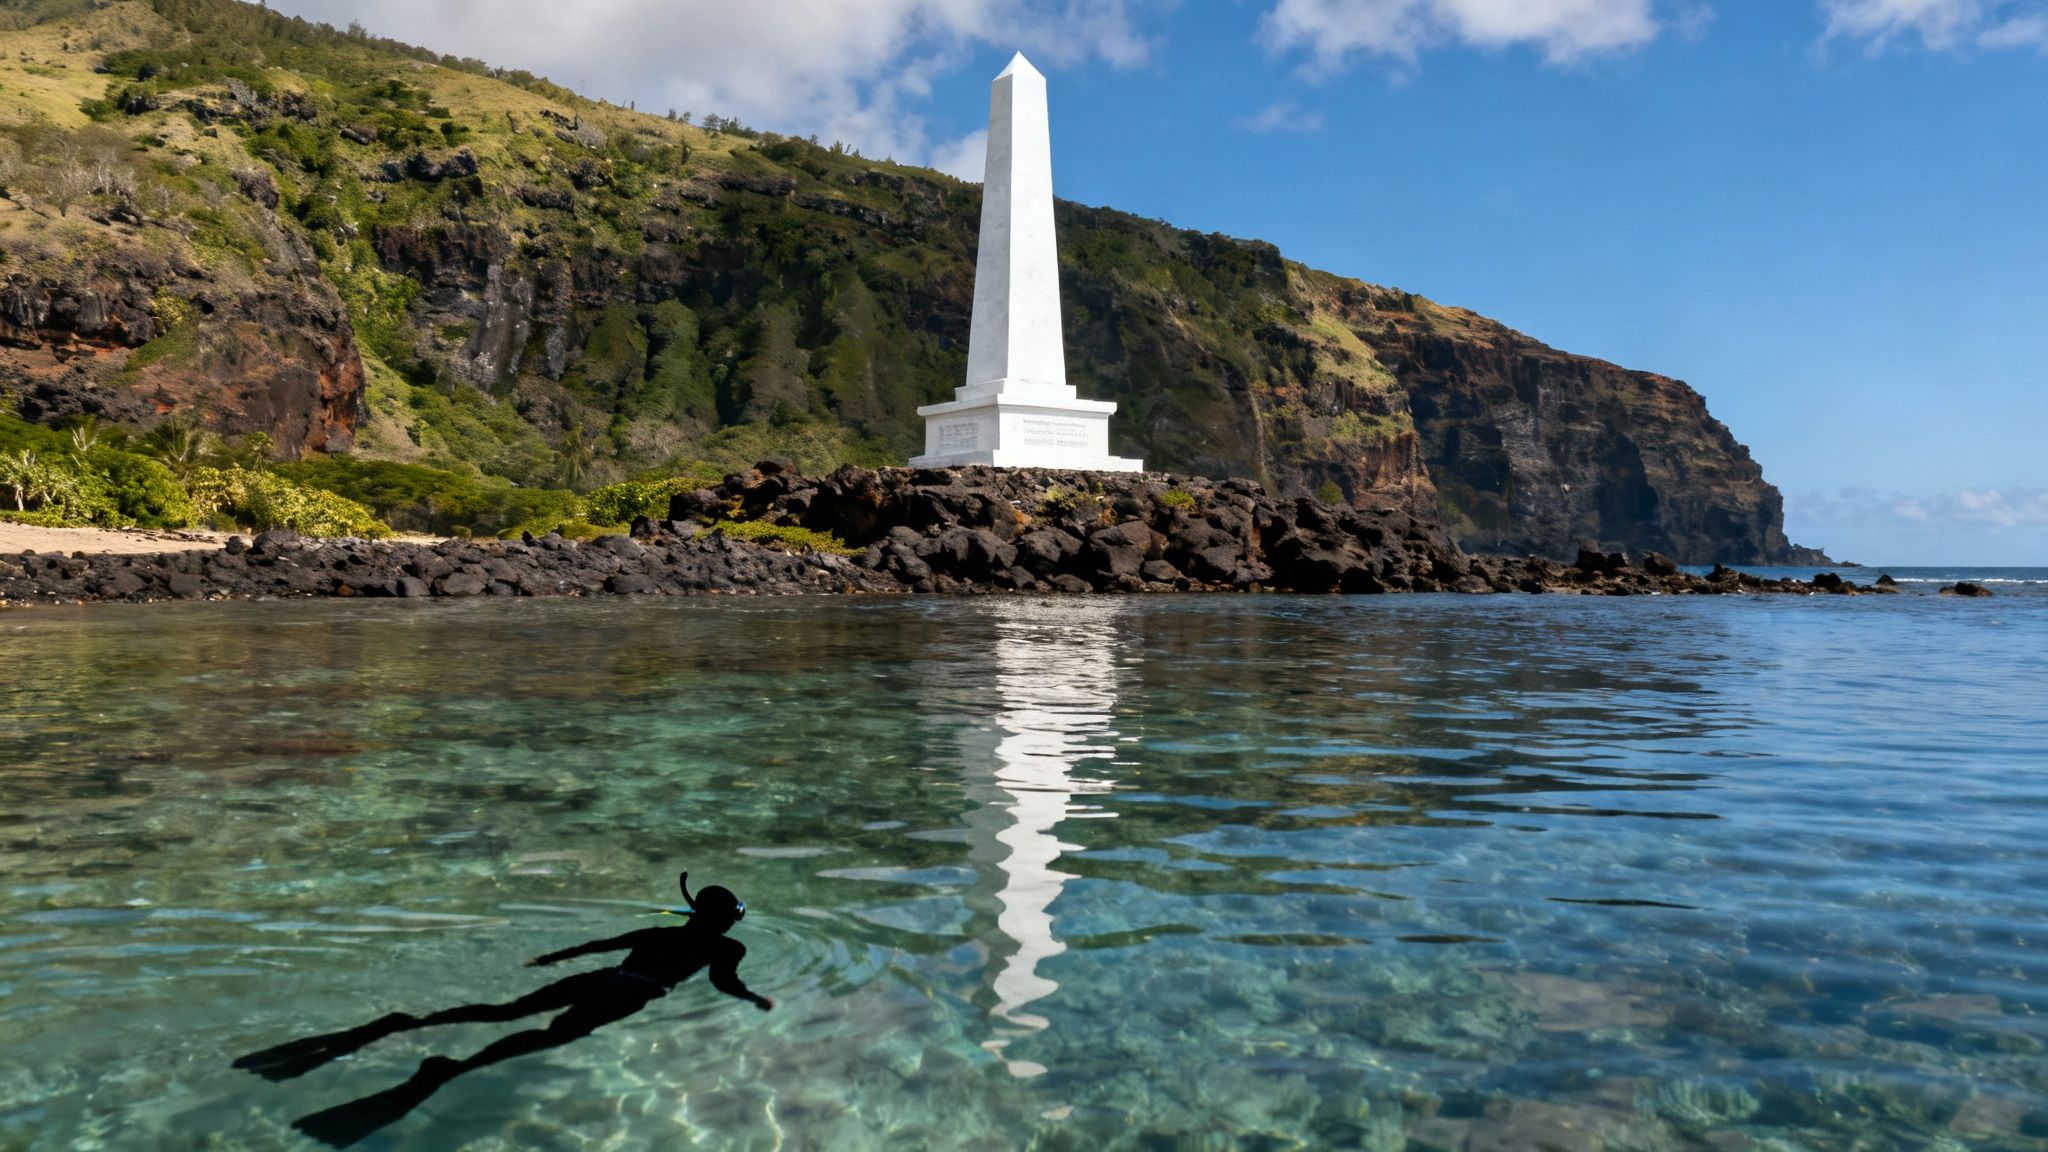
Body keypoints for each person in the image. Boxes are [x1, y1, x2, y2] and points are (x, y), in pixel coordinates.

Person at [234, 873, 770, 1148]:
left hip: (602, 978)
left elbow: (598, 946)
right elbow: (726, 983)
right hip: (628, 994)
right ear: (726, 919)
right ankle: (452, 1069)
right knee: (553, 1037)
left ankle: (406, 1023)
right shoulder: (726, 948)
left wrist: (549, 959)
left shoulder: (658, 929)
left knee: (504, 1010)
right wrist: (752, 1000)